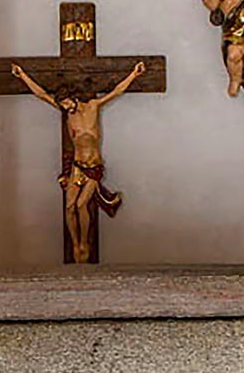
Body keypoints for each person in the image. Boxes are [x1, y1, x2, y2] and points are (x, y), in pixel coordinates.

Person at [11, 61, 145, 263]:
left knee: (82, 205)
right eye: (62, 105)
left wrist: (134, 74)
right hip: (77, 166)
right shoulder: (68, 114)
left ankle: (85, 242)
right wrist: (22, 75)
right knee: (69, 207)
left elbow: (116, 91)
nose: (64, 107)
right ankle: (75, 242)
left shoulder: (92, 107)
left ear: (72, 98)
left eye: (65, 103)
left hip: (93, 167)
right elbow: (41, 94)